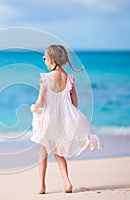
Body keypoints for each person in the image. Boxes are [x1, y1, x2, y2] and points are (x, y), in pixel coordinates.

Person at [30, 45, 103, 194]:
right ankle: (67, 182)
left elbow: (40, 101)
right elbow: (74, 103)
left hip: (49, 119)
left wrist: (34, 107)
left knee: (43, 151)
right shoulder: (70, 79)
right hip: (63, 121)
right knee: (59, 152)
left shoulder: (45, 78)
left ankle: (42, 186)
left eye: (44, 58)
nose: (44, 61)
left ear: (51, 60)